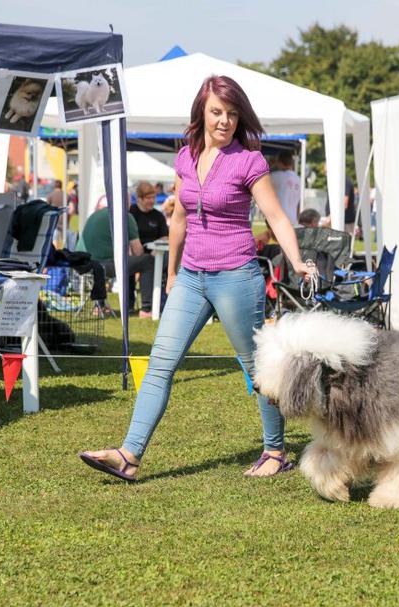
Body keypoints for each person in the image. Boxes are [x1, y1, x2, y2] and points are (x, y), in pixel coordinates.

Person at [79, 75, 313, 480]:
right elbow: (180, 219)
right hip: (190, 276)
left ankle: (275, 452)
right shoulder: (186, 157)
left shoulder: (249, 161)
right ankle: (129, 455)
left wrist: (297, 261)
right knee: (160, 364)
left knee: (258, 369)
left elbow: (276, 216)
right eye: (217, 112)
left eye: (232, 114)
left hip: (236, 276)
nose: (225, 121)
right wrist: (171, 272)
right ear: (202, 113)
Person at [77, 207, 156, 318]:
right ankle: (146, 309)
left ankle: (102, 306)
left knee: (129, 261)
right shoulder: (126, 216)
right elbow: (138, 251)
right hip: (102, 266)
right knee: (147, 261)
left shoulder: (97, 214)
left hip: (81, 264)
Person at [129, 181, 169, 245]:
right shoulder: (131, 212)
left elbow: (165, 237)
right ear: (139, 199)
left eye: (153, 197)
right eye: (148, 198)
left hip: (154, 249)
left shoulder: (159, 216)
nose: (152, 201)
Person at [269, 150, 301, 225]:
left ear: (279, 162)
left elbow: (262, 179)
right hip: (293, 218)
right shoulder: (299, 179)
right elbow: (299, 203)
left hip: (279, 217)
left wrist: (270, 165)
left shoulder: (276, 176)